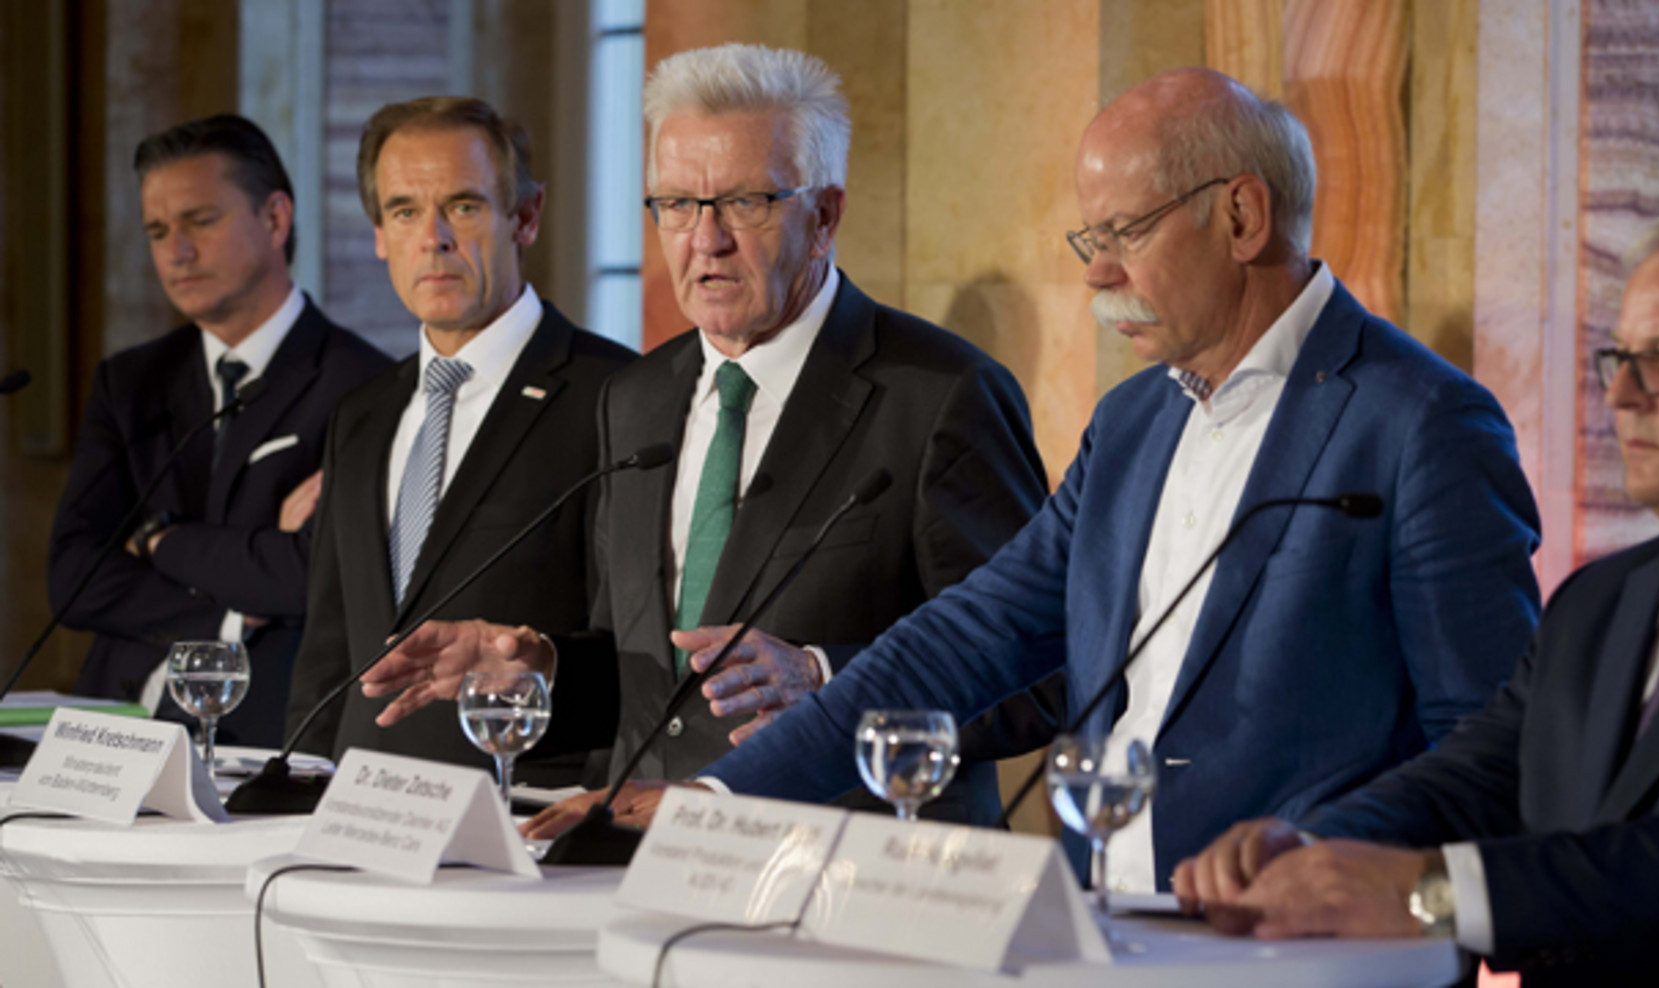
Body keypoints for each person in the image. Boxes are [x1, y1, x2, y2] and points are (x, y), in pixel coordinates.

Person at [503, 66, 1543, 891]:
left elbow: (1496, 737)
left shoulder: (1423, 422)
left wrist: (1314, 844)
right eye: (1088, 241)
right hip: (1110, 927)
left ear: (1241, 217)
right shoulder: (1132, 422)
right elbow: (961, 641)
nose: (1095, 273)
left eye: (1125, 234)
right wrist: (720, 794)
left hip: (1310, 947)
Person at [1172, 210, 1659, 984]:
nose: (1622, 395)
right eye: (1619, 358)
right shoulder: (1602, 597)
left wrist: (1429, 893)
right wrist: (1312, 847)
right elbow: (1475, 779)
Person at [361, 44, 1060, 825]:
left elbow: (1040, 677)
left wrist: (826, 678)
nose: (706, 239)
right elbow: (654, 691)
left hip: (852, 875)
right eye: (678, 205)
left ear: (824, 213)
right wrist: (542, 670)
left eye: (744, 203)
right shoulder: (632, 399)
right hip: (654, 865)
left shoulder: (939, 396)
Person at [285, 97, 634, 777]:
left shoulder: (617, 395)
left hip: (524, 820)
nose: (433, 237)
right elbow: (329, 649)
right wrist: (298, 787)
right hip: (359, 821)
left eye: (465, 206)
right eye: (405, 211)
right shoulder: (361, 413)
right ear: (380, 234)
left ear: (525, 217)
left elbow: (631, 647)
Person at [49, 115, 390, 747]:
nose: (176, 252)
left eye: (200, 222)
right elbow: (72, 577)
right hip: (105, 733)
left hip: (259, 737)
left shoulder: (364, 386)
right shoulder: (130, 382)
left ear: (275, 219)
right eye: (157, 231)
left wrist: (157, 542)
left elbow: (311, 577)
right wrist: (232, 610)